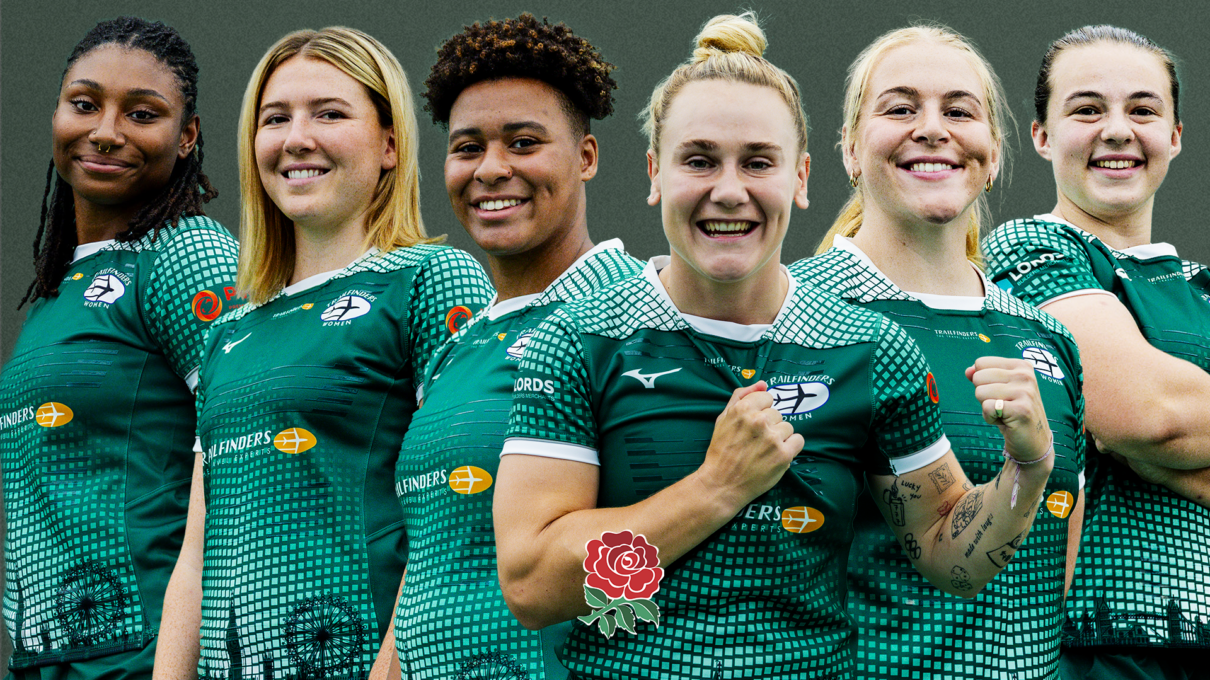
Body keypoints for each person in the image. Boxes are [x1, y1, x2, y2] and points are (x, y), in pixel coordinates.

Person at [493, 13, 1055, 679]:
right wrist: (716, 487)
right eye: (699, 161)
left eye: (758, 162)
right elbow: (533, 587)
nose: (729, 191)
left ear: (801, 178)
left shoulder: (869, 346)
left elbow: (949, 558)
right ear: (654, 173)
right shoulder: (579, 338)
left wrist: (1026, 470)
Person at [155, 27, 493, 680]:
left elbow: (456, 527)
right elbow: (196, 556)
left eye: (329, 114)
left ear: (390, 144)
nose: (297, 138)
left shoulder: (432, 279)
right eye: (275, 118)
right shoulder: (229, 328)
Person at [791, 25, 1085, 680]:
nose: (931, 129)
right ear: (849, 149)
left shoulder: (1048, 337)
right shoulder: (788, 315)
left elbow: (1049, 570)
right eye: (900, 108)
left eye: (959, 111)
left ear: (995, 153)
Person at [370, 15, 644, 679]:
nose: (491, 170)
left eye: (523, 143)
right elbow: (430, 562)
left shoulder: (638, 315)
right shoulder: (457, 348)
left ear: (586, 157)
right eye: (468, 148)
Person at [0, 16, 237, 679]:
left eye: (141, 113)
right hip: (46, 660)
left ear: (187, 135)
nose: (105, 131)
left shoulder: (188, 255)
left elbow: (252, 456)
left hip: (147, 657)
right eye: (84, 104)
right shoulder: (58, 285)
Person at [984, 25, 1210, 680]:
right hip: (1094, 645)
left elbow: (1159, 428)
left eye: (1142, 110)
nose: (1116, 131)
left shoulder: (1201, 285)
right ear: (1042, 135)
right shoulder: (1030, 251)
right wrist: (1158, 433)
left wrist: (1170, 462)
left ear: (1175, 135)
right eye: (1087, 109)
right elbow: (1146, 413)